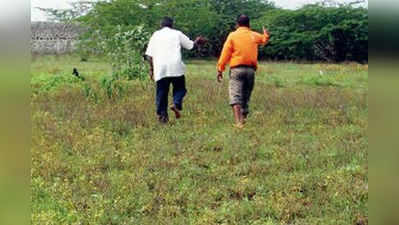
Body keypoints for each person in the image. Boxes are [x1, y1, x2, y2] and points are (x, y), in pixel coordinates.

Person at [145, 17, 206, 123]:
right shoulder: (177, 33)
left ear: (161, 25)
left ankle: (163, 118)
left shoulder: (155, 35)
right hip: (175, 67)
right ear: (172, 25)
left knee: (161, 93)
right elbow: (191, 46)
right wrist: (197, 41)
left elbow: (149, 56)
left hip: (160, 68)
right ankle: (176, 103)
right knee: (180, 88)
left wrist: (151, 69)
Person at [217, 14, 270, 128]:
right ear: (249, 24)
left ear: (237, 24)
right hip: (250, 71)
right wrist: (265, 33)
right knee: (246, 96)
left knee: (236, 96)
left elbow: (225, 53)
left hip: (237, 69)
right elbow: (264, 39)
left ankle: (239, 122)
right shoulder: (254, 35)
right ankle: (244, 119)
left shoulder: (232, 35)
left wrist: (220, 69)